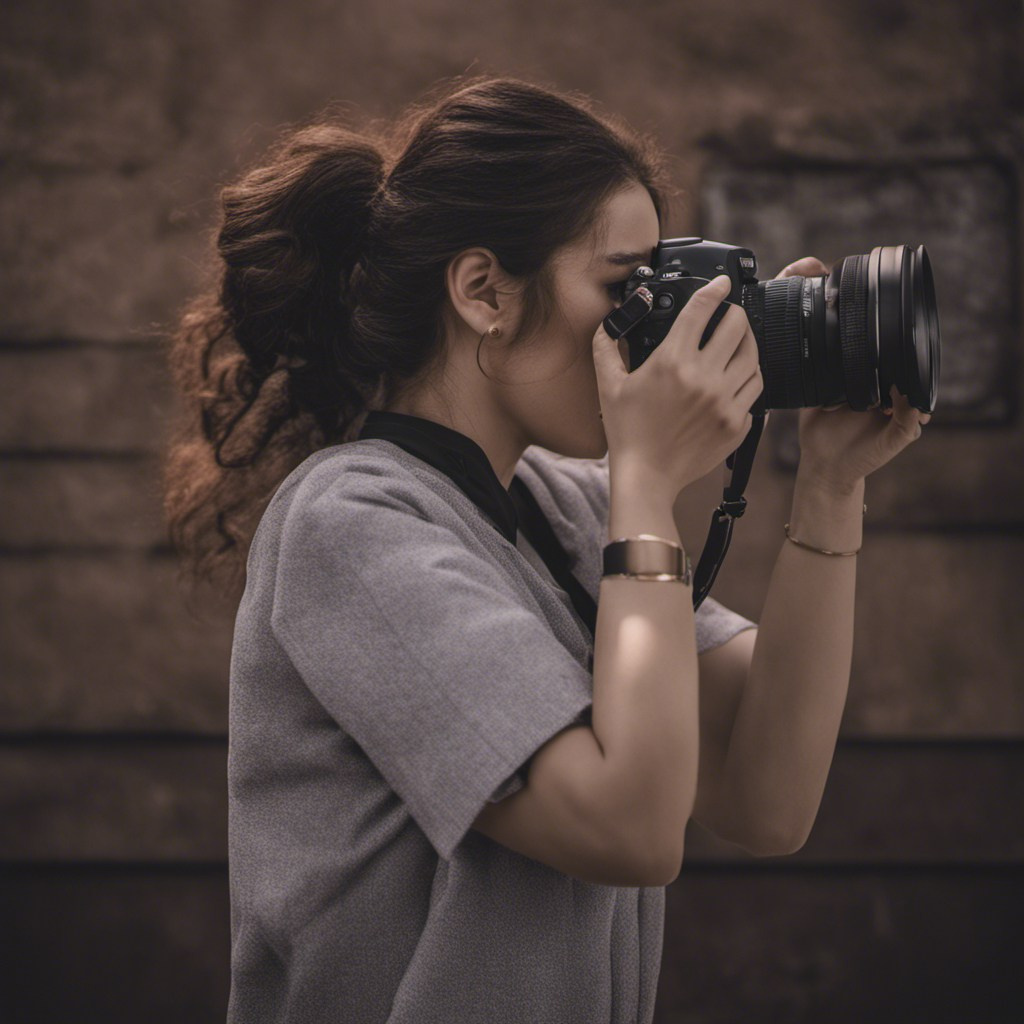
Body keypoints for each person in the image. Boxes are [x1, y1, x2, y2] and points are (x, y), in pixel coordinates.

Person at [161, 73, 932, 1024]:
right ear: (485, 291)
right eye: (624, 288)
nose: (654, 327)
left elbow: (766, 799)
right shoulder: (350, 523)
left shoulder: (561, 508)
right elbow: (631, 829)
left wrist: (830, 487)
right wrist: (646, 484)